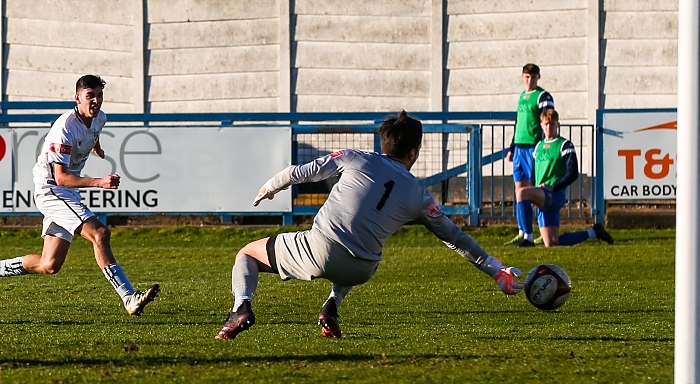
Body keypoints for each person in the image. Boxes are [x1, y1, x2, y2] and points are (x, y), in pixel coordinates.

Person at [216, 110, 524, 340]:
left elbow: (302, 171)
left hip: (320, 249)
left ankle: (240, 308)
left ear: (383, 142)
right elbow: (456, 238)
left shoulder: (354, 157)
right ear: (413, 153)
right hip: (362, 269)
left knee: (247, 254)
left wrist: (271, 186)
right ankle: (331, 306)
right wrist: (497, 270)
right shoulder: (420, 196)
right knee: (363, 243)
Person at [0, 75, 160, 315]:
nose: (95, 101)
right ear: (77, 98)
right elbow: (62, 177)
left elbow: (92, 133)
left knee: (49, 264)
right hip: (52, 188)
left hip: (66, 192)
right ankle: (128, 297)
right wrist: (100, 182)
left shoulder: (100, 118)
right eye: (90, 96)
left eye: (99, 95)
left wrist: (95, 146)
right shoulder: (65, 127)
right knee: (100, 233)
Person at [516, 109, 614, 247]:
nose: (549, 127)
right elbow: (533, 173)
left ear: (558, 124)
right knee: (552, 243)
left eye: (552, 124)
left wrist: (554, 187)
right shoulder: (538, 146)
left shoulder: (564, 145)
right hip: (542, 194)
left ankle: (528, 238)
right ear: (541, 125)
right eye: (546, 124)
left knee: (521, 192)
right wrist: (533, 192)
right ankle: (594, 232)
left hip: (553, 194)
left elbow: (573, 173)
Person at [505, 63, 555, 247]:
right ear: (522, 77)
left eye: (533, 77)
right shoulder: (521, 96)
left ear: (538, 77)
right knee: (520, 191)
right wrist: (512, 147)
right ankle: (524, 231)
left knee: (537, 191)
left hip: (533, 147)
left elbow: (547, 121)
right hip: (519, 148)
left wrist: (542, 146)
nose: (529, 80)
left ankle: (543, 230)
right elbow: (519, 122)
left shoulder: (543, 96)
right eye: (526, 77)